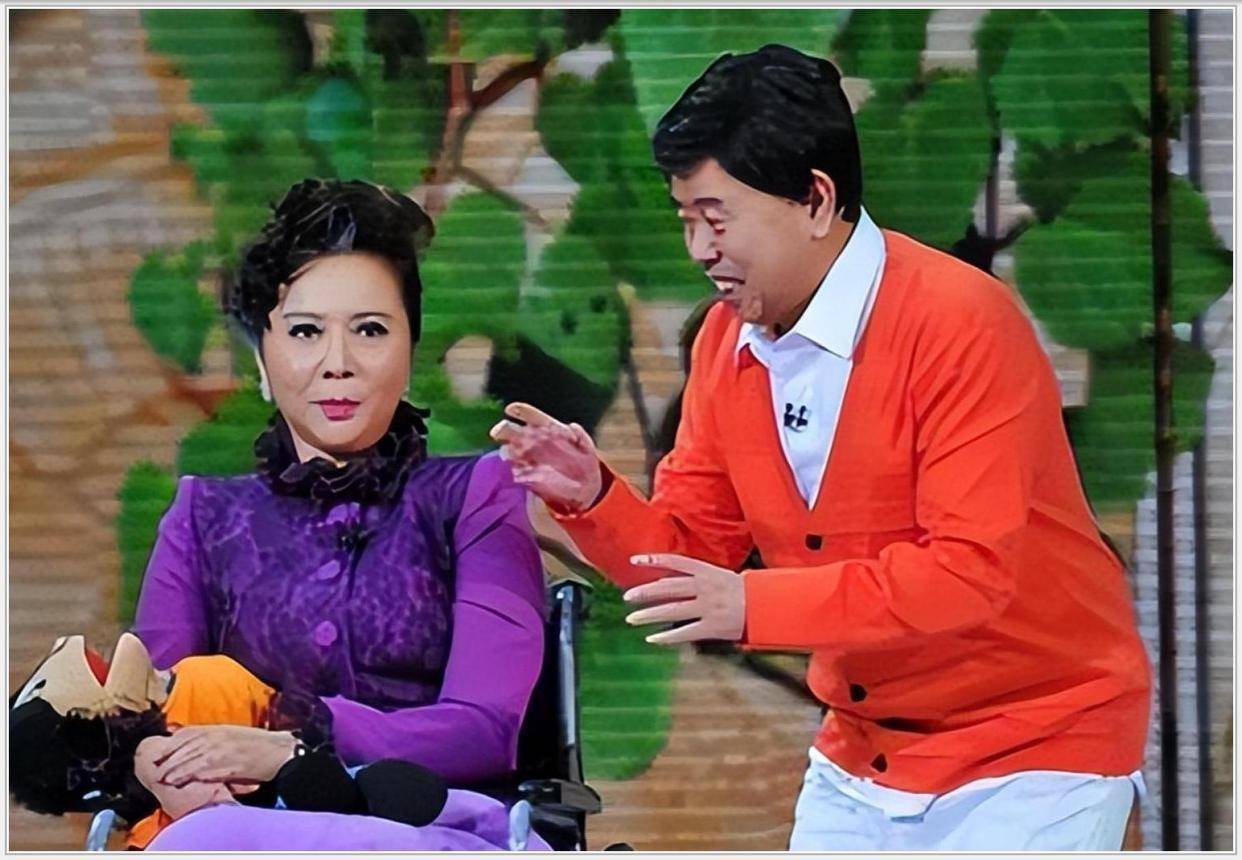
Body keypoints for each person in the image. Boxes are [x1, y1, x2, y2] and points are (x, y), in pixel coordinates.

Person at [491, 44, 1151, 851]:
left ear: (815, 199)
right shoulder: (725, 344)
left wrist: (755, 605)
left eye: (716, 218)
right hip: (863, 750)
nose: (698, 248)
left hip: (1035, 742)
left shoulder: (962, 324)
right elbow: (691, 560)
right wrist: (594, 499)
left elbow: (966, 572)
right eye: (685, 219)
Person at [129, 178, 547, 850]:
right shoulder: (202, 517)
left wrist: (296, 744)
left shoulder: (477, 495)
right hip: (240, 829)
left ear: (409, 350)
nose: (338, 364)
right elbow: (154, 710)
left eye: (370, 330)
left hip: (431, 826)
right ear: (261, 358)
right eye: (304, 332)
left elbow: (485, 729)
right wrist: (152, 759)